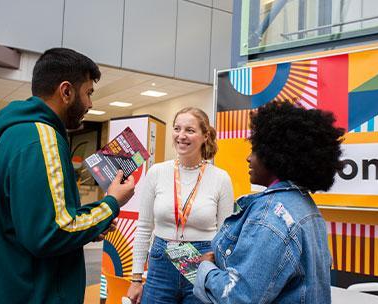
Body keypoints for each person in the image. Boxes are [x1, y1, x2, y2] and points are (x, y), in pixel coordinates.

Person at [0, 48, 135, 303]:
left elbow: (35, 223)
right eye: (88, 93)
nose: (90, 104)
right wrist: (111, 203)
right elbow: (52, 232)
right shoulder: (43, 140)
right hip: (34, 293)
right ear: (66, 91)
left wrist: (89, 227)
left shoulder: (18, 135)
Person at [193, 101, 345, 304]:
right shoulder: (306, 207)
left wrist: (206, 269)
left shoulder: (270, 216)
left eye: (255, 150)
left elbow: (238, 297)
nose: (248, 158)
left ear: (276, 156)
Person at [127, 107, 234, 304]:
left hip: (203, 263)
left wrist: (220, 272)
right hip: (160, 261)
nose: (181, 136)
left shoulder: (220, 178)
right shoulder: (157, 172)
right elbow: (143, 228)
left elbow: (225, 235)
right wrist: (135, 279)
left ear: (205, 136)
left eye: (190, 130)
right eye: (177, 129)